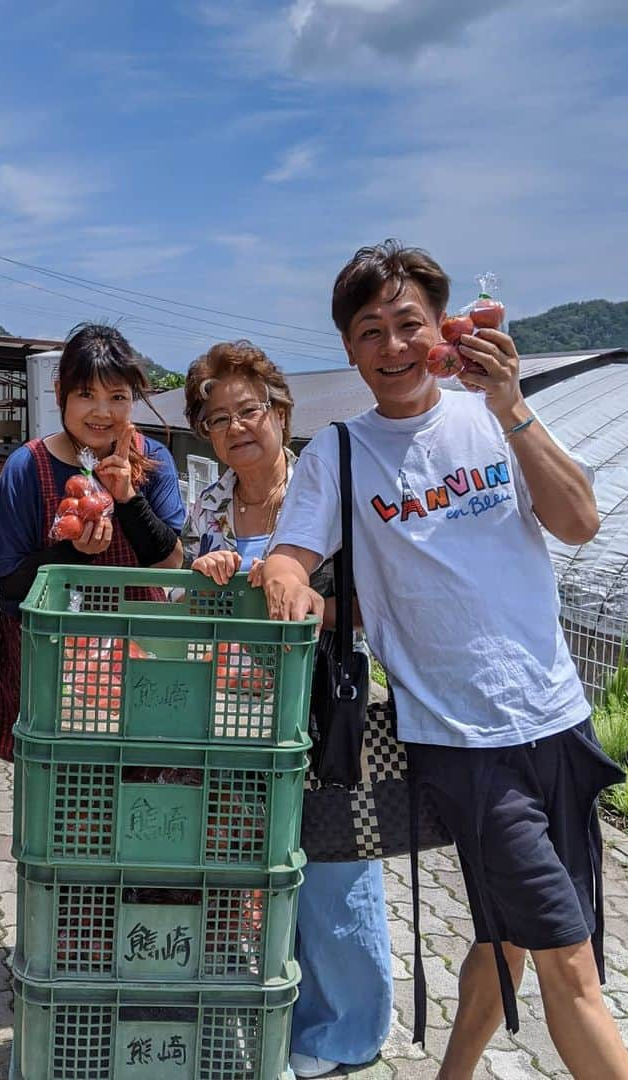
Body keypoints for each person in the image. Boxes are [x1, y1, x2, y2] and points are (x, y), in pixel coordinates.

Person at [260, 241, 628, 1080]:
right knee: (569, 963)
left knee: (511, 936)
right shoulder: (341, 453)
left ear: (440, 329)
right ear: (349, 348)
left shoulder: (495, 418)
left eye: (408, 325)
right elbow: (292, 550)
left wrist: (512, 408)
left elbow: (578, 522)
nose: (392, 347)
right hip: (462, 745)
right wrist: (282, 577)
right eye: (370, 331)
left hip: (559, 718)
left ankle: (452, 1075)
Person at [182, 341, 392, 1078]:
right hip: (231, 711)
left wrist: (311, 608)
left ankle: (349, 1033)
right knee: (261, 872)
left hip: (316, 707)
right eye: (218, 418)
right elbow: (190, 601)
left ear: (280, 411)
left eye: (250, 410)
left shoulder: (326, 487)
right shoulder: (208, 504)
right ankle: (277, 1004)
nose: (238, 427)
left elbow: (376, 600)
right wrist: (205, 576)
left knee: (335, 866)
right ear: (205, 433)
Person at [0, 322, 185, 759]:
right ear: (60, 394)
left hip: (140, 662)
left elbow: (172, 563)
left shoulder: (153, 459)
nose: (102, 411)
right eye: (86, 395)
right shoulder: (26, 468)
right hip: (51, 673)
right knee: (60, 805)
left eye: (117, 397)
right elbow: (5, 584)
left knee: (138, 788)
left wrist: (128, 499)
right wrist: (70, 554)